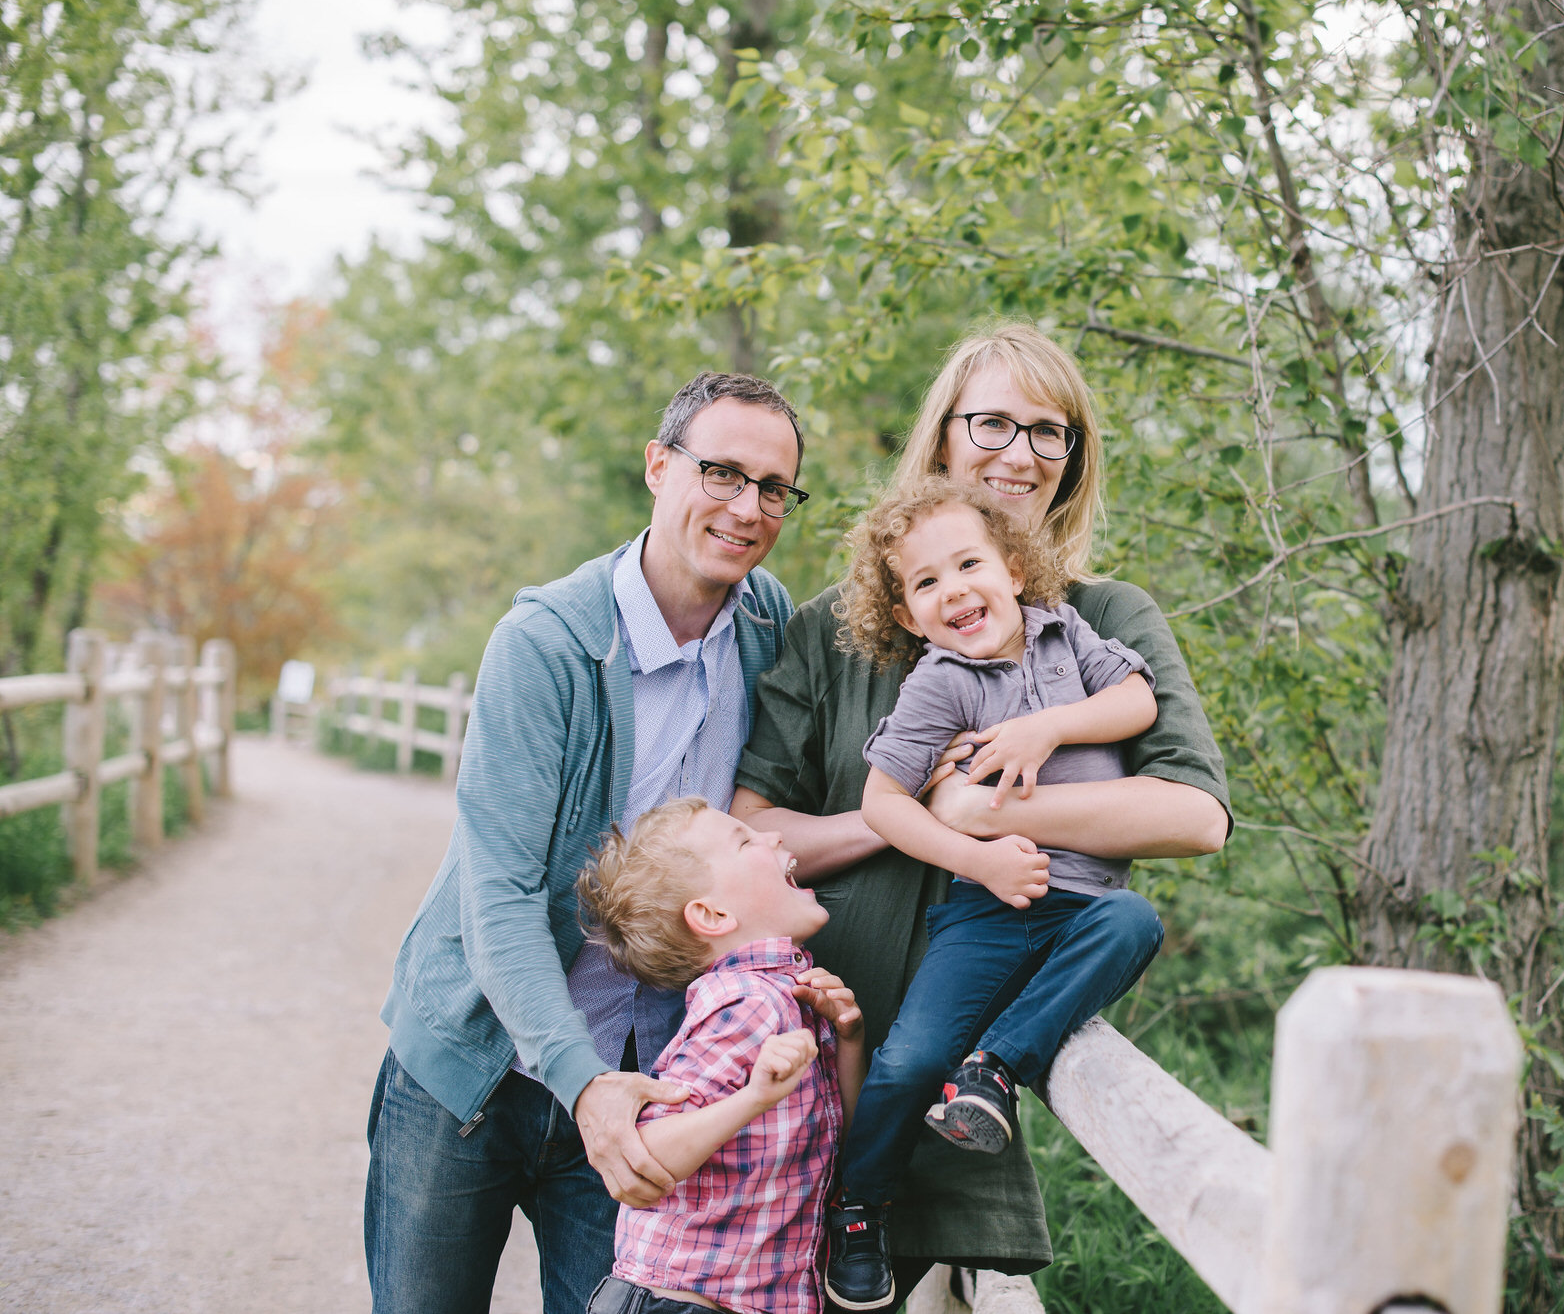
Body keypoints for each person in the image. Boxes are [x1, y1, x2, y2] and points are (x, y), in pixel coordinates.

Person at [731, 323, 1231, 1304]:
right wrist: (926, 812)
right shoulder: (838, 626)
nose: (1020, 452)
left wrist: (994, 797)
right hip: (799, 1075)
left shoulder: (1100, 620)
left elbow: (1194, 815)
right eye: (994, 421)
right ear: (944, 435)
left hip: (960, 1125)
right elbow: (752, 829)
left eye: (1050, 433)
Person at [365, 372, 806, 1314]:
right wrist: (582, 1082)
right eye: (721, 473)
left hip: (642, 1078)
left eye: (774, 488)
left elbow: (774, 821)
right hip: (476, 1070)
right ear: (658, 466)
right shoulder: (548, 645)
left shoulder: (768, 627)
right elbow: (501, 892)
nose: (747, 507)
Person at [819, 478, 1165, 1309]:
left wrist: (1047, 726)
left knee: (1136, 919)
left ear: (1014, 568)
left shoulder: (1065, 633)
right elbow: (882, 801)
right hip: (988, 906)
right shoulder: (940, 682)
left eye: (969, 563)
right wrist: (976, 864)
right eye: (926, 582)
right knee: (907, 1059)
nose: (954, 590)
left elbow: (1138, 698)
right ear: (907, 615)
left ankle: (996, 1068)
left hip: (1083, 908)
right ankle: (858, 1208)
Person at [575, 797, 867, 1314]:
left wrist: (849, 1038)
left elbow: (835, 1137)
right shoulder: (746, 1004)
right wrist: (752, 1098)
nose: (774, 837)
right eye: (746, 841)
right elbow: (650, 1151)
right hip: (681, 1302)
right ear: (712, 915)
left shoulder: (785, 994)